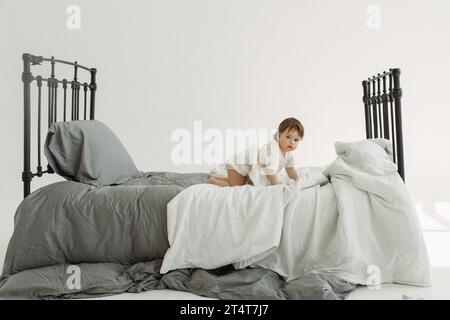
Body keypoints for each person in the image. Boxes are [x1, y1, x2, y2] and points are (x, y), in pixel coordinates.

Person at [208, 117, 304, 187]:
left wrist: (298, 181)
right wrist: (277, 186)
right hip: (238, 165)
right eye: (288, 137)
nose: (291, 142)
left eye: (296, 140)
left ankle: (216, 176)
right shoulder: (273, 150)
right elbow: (269, 171)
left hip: (247, 169)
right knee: (236, 185)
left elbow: (290, 169)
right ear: (278, 135)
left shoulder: (288, 153)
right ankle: (213, 180)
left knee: (241, 181)